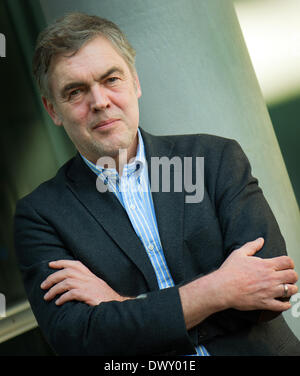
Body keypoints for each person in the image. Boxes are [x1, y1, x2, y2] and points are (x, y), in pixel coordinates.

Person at [14, 12, 300, 356]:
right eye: (75, 92)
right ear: (53, 110)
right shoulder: (41, 215)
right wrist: (219, 290)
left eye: (111, 79)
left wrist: (124, 305)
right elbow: (81, 342)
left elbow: (273, 291)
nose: (100, 101)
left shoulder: (214, 159)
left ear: (135, 82)